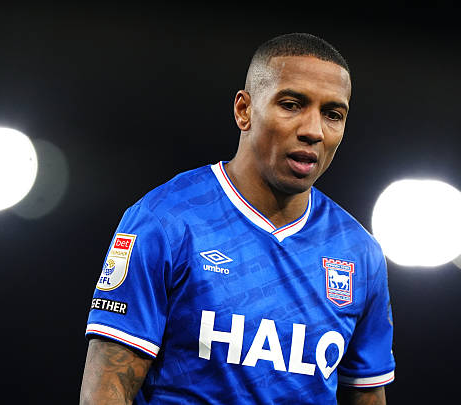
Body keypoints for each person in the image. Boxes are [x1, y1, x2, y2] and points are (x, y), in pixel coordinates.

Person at [80, 32, 395, 405]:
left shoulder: (359, 253)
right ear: (244, 110)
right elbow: (106, 392)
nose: (313, 130)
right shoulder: (164, 222)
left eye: (332, 114)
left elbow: (368, 395)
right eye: (292, 105)